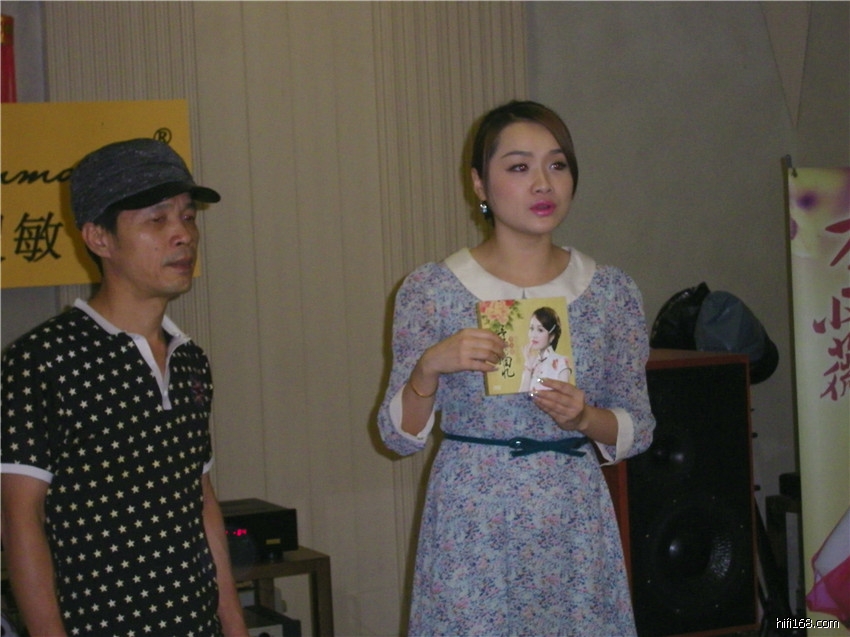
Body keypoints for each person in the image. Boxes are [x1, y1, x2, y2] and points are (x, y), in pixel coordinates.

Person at [377, 100, 655, 636]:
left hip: (572, 515)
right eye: (519, 167)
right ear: (479, 184)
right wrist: (428, 369)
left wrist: (585, 418)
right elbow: (397, 437)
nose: (543, 183)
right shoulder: (432, 290)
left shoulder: (610, 292)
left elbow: (638, 426)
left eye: (558, 165)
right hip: (471, 521)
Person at [1, 138, 249, 637]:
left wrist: (234, 625)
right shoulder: (42, 360)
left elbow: (201, 500)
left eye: (188, 216)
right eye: (157, 220)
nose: (183, 235)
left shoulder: (190, 360)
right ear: (99, 237)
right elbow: (18, 520)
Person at [519, 306, 573, 392]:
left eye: (540, 330)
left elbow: (564, 395)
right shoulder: (531, 364)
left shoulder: (561, 362)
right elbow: (521, 397)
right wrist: (528, 366)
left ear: (552, 336)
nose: (533, 335)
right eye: (531, 328)